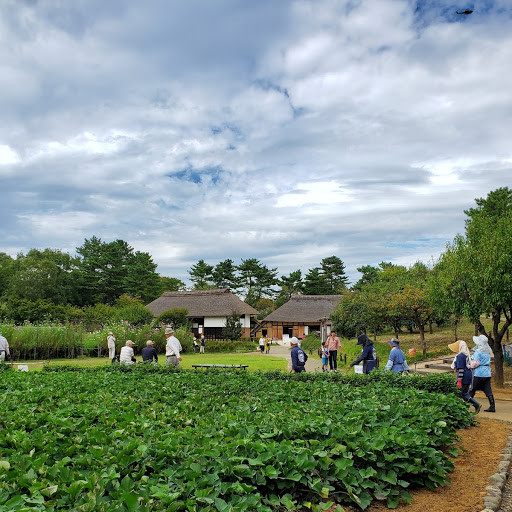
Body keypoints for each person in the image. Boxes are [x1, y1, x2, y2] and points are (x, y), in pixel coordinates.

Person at [448, 339, 481, 413]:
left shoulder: (460, 356)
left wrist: (459, 381)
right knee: (464, 393)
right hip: (468, 376)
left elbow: (461, 369)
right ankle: (466, 408)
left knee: (459, 393)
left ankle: (475, 405)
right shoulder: (467, 355)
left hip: (463, 377)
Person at [470, 334, 495, 413]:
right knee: (488, 390)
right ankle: (492, 406)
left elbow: (475, 363)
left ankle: (467, 406)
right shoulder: (487, 352)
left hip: (478, 373)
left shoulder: (478, 352)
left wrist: (470, 364)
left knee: (472, 389)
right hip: (487, 373)